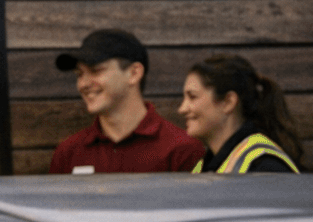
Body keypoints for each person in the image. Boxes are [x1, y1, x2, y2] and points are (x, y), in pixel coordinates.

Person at [48, 28, 201, 174]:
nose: (83, 84)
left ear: (134, 73)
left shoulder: (181, 150)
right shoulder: (68, 153)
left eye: (96, 70)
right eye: (79, 74)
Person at [178, 54, 304, 173]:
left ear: (228, 102)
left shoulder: (266, 167)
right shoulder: (204, 167)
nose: (182, 109)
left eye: (192, 97)